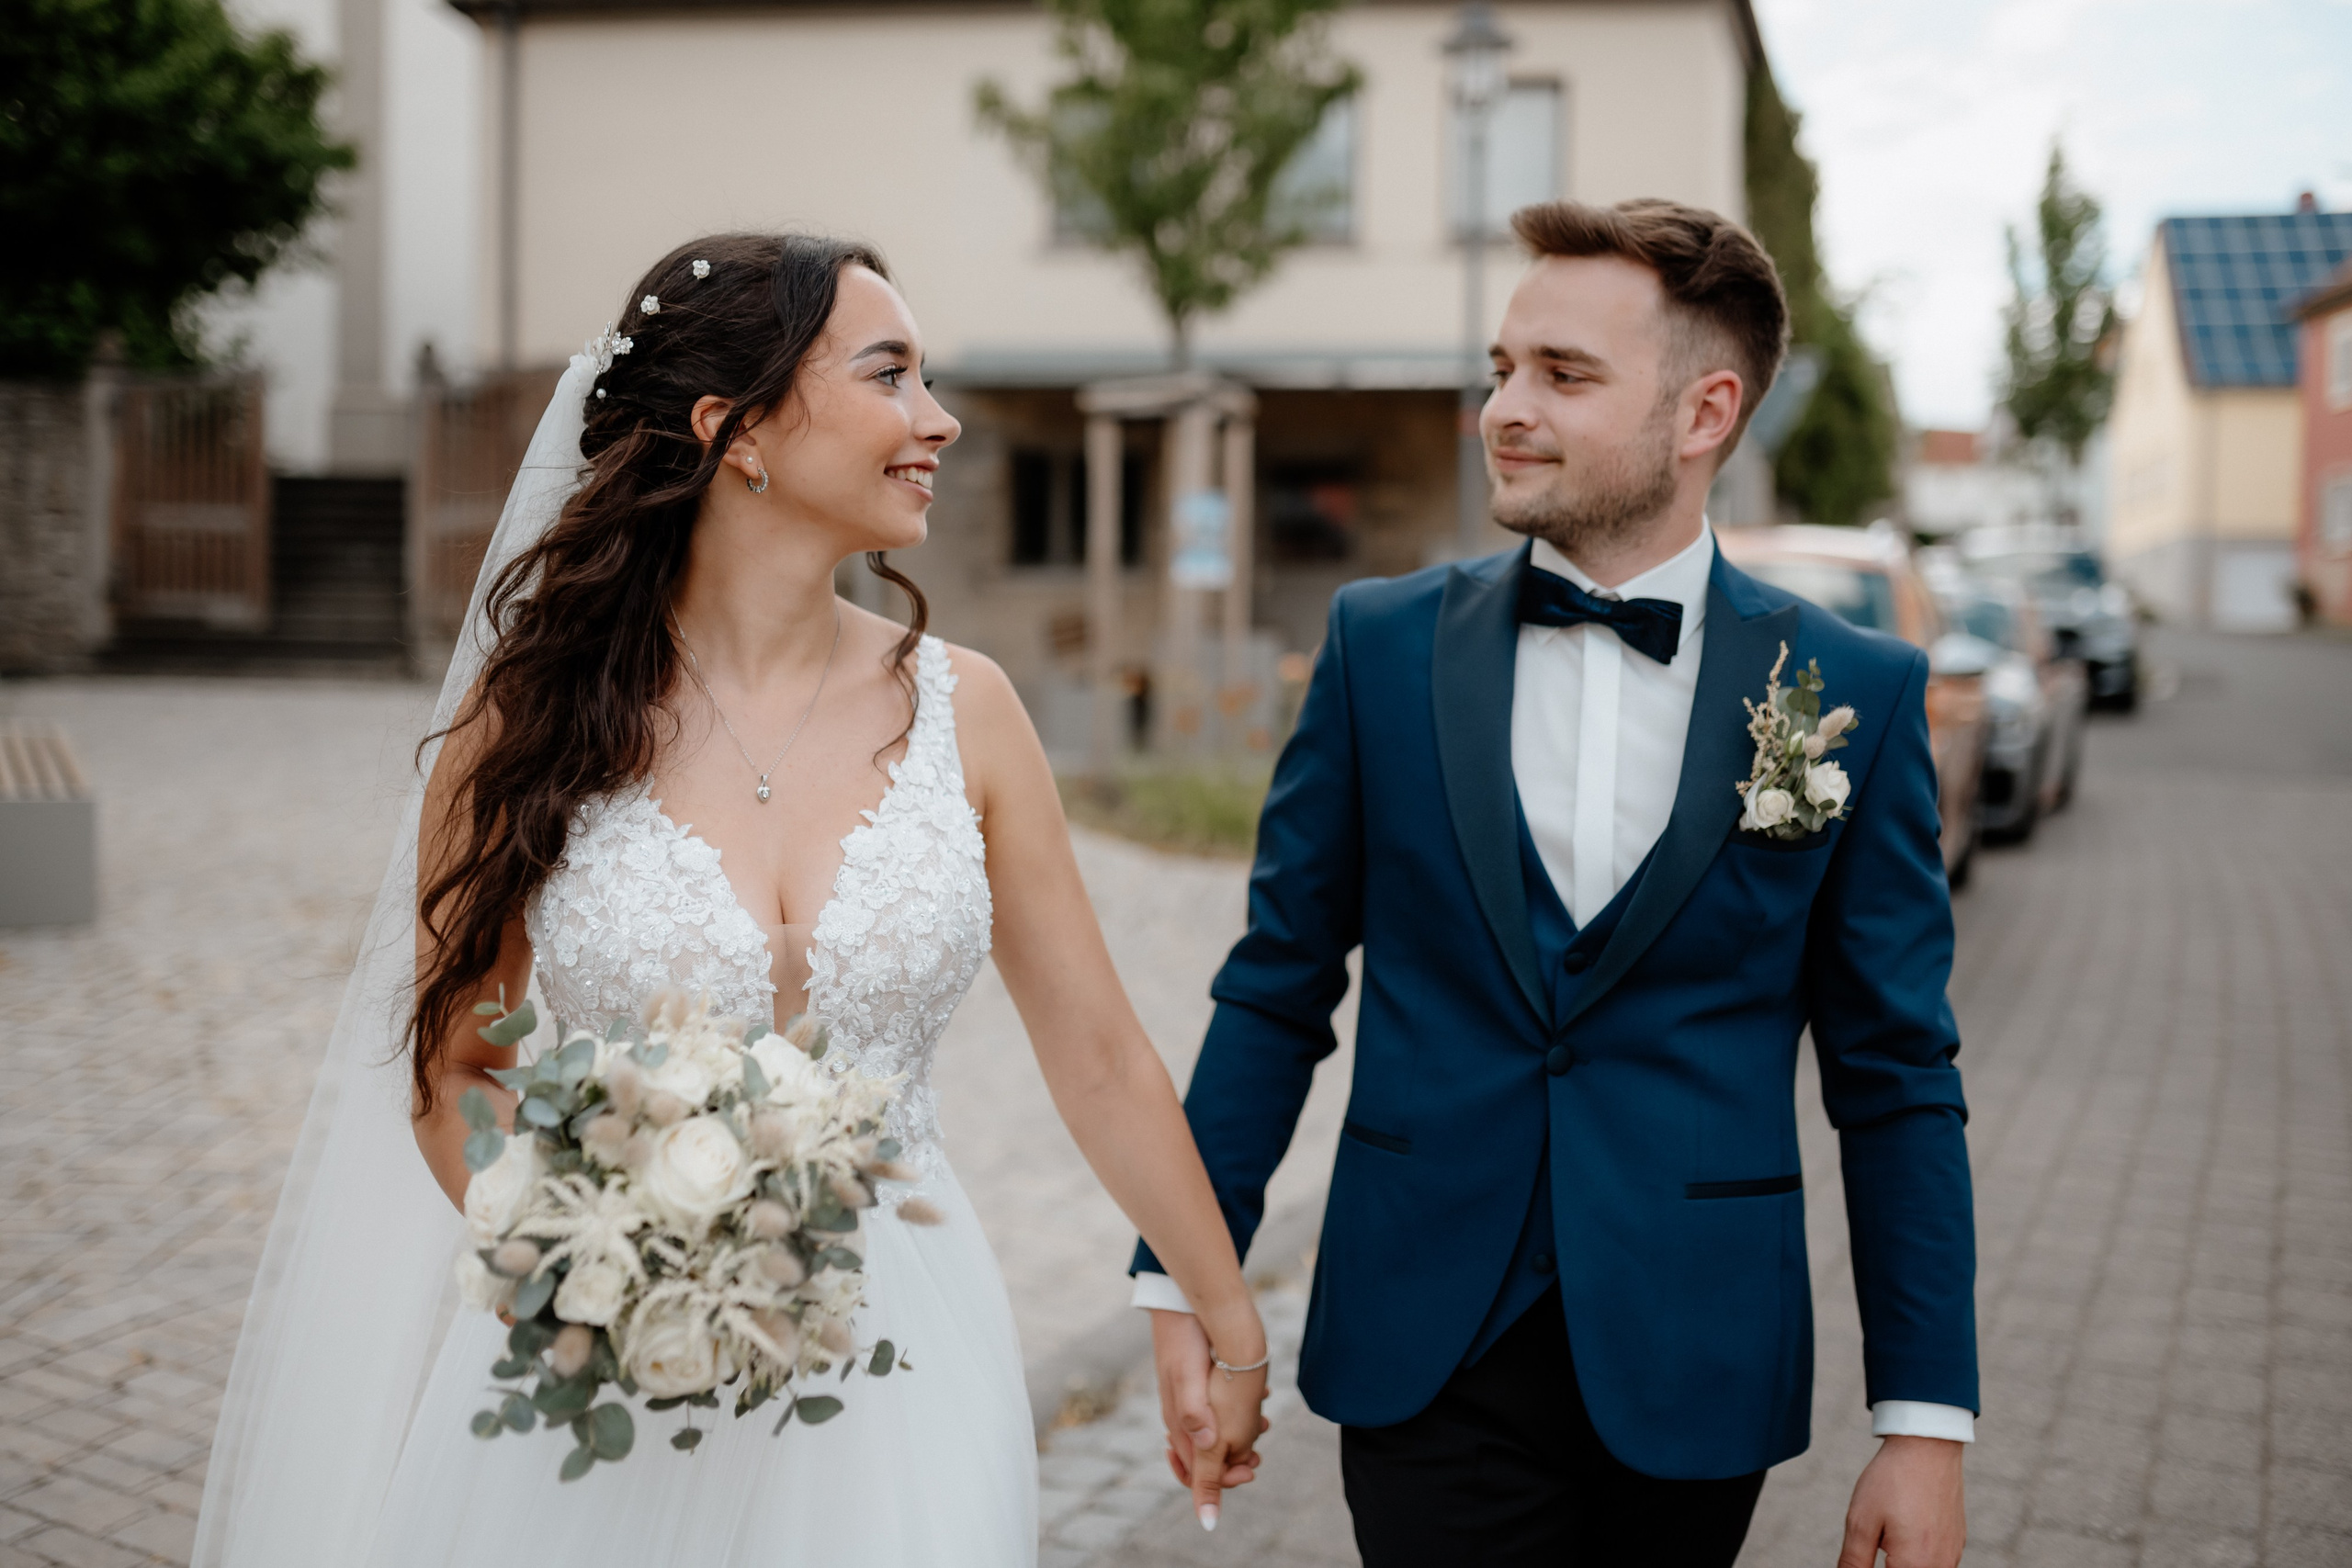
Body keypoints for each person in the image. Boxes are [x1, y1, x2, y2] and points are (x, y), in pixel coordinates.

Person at [193, 233, 1268, 1568]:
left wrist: (1227, 1321)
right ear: (734, 428)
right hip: (602, 1366)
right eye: (889, 375)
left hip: (903, 1360)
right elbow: (456, 1065)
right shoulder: (530, 720)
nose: (938, 420)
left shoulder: (969, 710)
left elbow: (1100, 1056)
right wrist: (596, 1270)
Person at [1132, 198, 1977, 1568]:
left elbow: (1896, 1075)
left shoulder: (1848, 693)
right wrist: (1183, 1283)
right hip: (1424, 1340)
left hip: (1696, 1349)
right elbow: (1278, 989)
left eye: (1564, 375)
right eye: (1502, 369)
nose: (1505, 411)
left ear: (1704, 412)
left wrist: (1925, 1422)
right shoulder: (1379, 647)